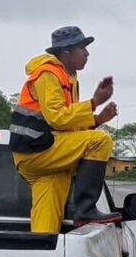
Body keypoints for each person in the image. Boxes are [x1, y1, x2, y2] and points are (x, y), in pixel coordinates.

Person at [9, 26, 120, 234]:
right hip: (38, 150)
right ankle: (85, 209)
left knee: (47, 224)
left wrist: (97, 119)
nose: (87, 53)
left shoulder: (68, 77)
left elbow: (69, 127)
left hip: (42, 156)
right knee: (100, 141)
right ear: (66, 51)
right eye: (82, 48)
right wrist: (94, 102)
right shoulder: (48, 74)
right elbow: (57, 117)